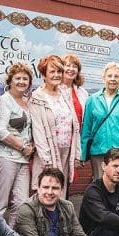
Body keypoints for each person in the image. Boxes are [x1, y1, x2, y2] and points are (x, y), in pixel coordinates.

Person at [29, 55, 81, 195]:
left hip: (65, 152)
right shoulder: (37, 97)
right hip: (48, 154)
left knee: (61, 191)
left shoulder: (65, 93)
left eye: (59, 71)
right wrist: (47, 160)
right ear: (44, 75)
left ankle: (58, 217)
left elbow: (74, 125)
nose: (57, 75)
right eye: (52, 72)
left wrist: (76, 153)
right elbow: (38, 131)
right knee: (46, 190)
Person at [80, 62, 119, 180]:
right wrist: (82, 154)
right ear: (104, 78)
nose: (113, 79)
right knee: (100, 186)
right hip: (99, 151)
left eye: (116, 76)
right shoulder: (92, 100)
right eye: (109, 76)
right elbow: (86, 129)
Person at [0, 61, 36, 224]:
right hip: (6, 158)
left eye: (25, 79)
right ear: (10, 80)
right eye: (17, 78)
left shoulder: (27, 102)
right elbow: (0, 130)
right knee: (0, 204)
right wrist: (23, 147)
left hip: (24, 161)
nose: (21, 82)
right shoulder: (5, 100)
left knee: (21, 203)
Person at [62, 54, 89, 132]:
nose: (71, 69)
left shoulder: (83, 93)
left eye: (74, 66)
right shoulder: (55, 90)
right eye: (67, 65)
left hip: (78, 139)